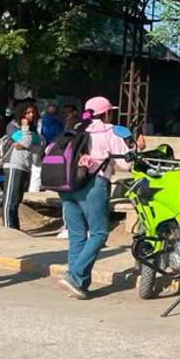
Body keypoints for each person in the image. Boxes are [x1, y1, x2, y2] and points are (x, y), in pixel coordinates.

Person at [56, 96, 129, 299]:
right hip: (92, 184)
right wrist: (136, 148)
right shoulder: (109, 131)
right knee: (99, 233)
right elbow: (127, 164)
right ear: (106, 113)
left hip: (67, 185)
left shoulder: (76, 127)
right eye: (110, 111)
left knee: (77, 235)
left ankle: (79, 284)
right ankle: (75, 276)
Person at [2, 102, 42, 232]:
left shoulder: (32, 130)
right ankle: (8, 228)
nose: (31, 115)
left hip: (26, 166)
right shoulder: (12, 127)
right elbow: (26, 142)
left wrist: (26, 143)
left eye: (33, 112)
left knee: (17, 200)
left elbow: (39, 145)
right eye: (27, 113)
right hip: (14, 164)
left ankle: (15, 228)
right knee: (10, 199)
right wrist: (25, 129)